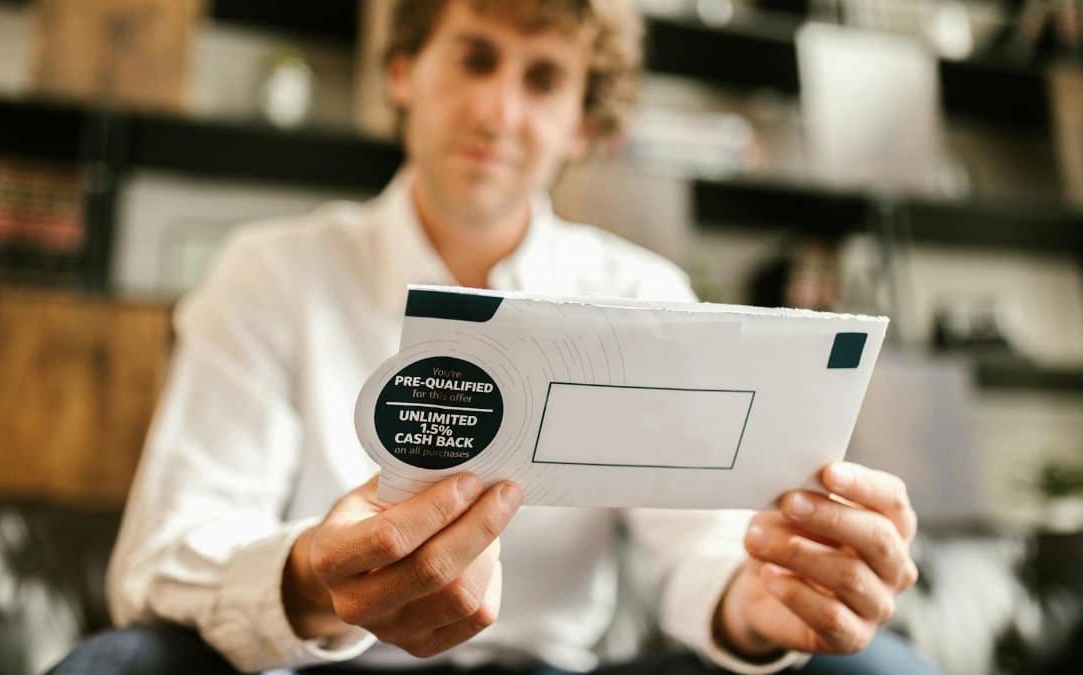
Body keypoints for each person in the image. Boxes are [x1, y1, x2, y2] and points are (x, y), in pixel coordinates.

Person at [50, 1, 935, 674]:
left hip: (545, 666)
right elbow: (162, 559)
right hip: (318, 663)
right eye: (474, 59)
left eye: (543, 80)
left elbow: (699, 552)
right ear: (404, 71)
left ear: (583, 123)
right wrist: (313, 577)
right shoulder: (270, 273)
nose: (498, 111)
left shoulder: (640, 294)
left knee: (869, 664)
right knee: (121, 663)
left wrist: (764, 603)